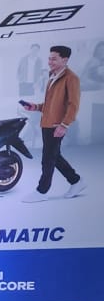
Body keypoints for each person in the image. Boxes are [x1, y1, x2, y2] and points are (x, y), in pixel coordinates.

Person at [23, 45, 86, 201]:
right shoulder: (52, 76)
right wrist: (36, 107)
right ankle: (76, 181)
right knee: (54, 156)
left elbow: (73, 105)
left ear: (65, 60)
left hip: (57, 125)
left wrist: (64, 125)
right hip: (46, 123)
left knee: (48, 159)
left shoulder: (71, 78)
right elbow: (51, 104)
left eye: (54, 59)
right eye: (49, 58)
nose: (50, 62)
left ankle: (41, 191)